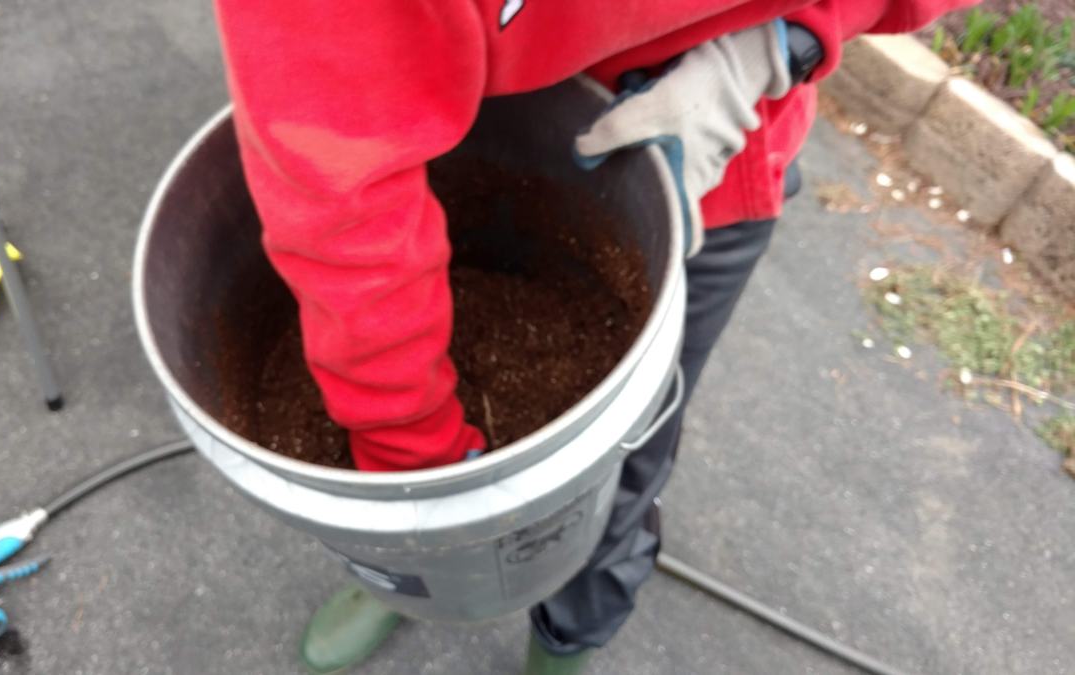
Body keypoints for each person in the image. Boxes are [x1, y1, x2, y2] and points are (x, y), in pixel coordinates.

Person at [212, 1, 977, 672]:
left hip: (706, 138)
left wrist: (784, 45)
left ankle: (571, 635)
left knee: (624, 459)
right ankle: (413, 587)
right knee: (404, 479)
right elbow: (338, 183)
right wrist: (416, 481)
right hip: (446, 123)